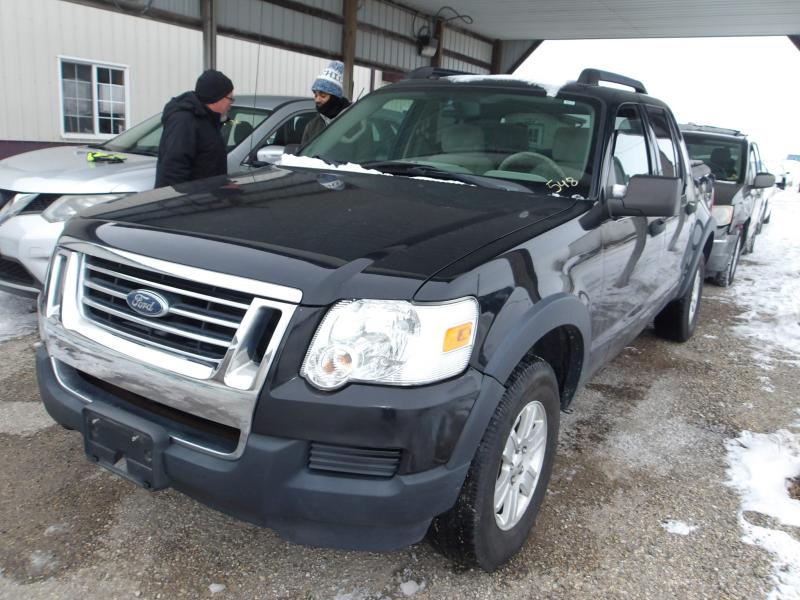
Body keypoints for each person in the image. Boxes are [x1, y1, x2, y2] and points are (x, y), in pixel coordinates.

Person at [155, 69, 235, 188]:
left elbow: (206, 165)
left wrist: (221, 186)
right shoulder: (184, 121)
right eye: (230, 98)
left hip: (207, 196)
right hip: (189, 198)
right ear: (216, 98)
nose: (231, 103)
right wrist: (185, 198)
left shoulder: (208, 120)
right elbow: (173, 170)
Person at [301, 61, 351, 145]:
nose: (317, 100)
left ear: (335, 97)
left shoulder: (353, 121)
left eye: (323, 95)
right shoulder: (312, 127)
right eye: (315, 95)